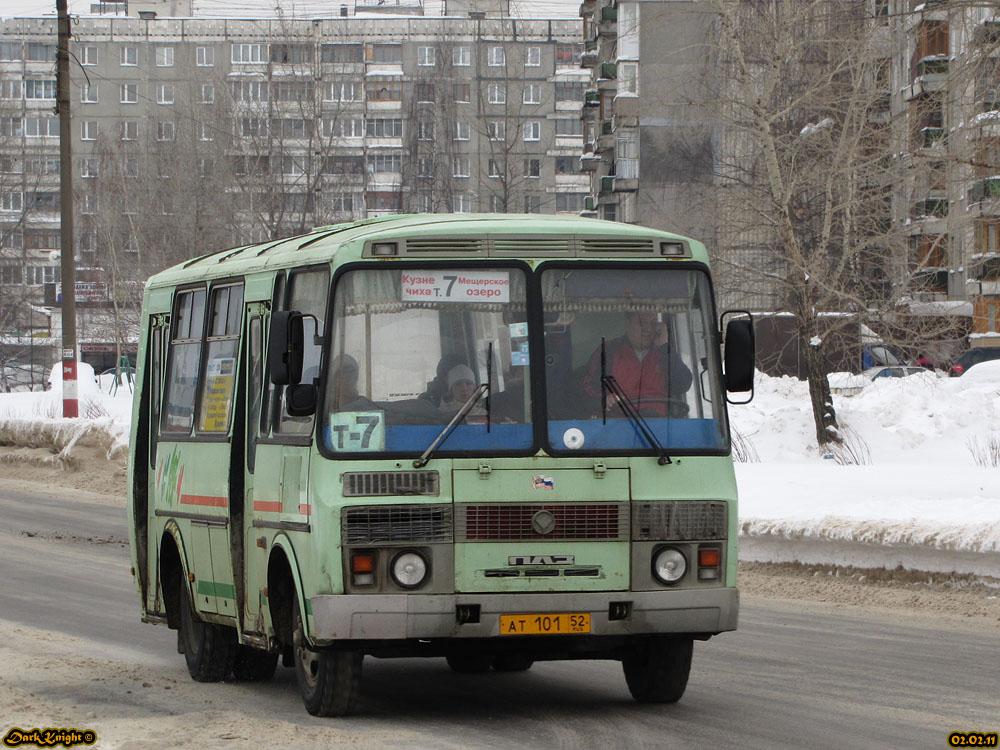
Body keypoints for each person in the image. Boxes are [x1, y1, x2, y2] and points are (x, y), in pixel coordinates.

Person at [583, 310, 692, 417]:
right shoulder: (609, 351)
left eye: (653, 322)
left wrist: (664, 347)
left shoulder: (665, 354)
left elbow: (683, 385)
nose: (648, 328)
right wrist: (604, 399)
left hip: (660, 427)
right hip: (618, 426)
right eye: (642, 322)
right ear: (627, 323)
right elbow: (588, 388)